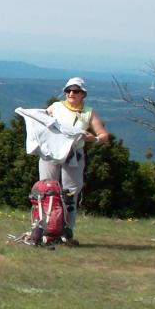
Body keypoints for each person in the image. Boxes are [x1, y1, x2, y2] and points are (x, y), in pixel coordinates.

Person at [40, 77, 110, 245]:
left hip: (73, 155)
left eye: (76, 91)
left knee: (70, 194)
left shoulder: (88, 112)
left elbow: (104, 135)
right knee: (46, 189)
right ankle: (44, 228)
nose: (71, 93)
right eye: (69, 90)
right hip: (51, 152)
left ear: (82, 94)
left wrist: (93, 139)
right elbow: (40, 122)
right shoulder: (55, 107)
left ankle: (66, 231)